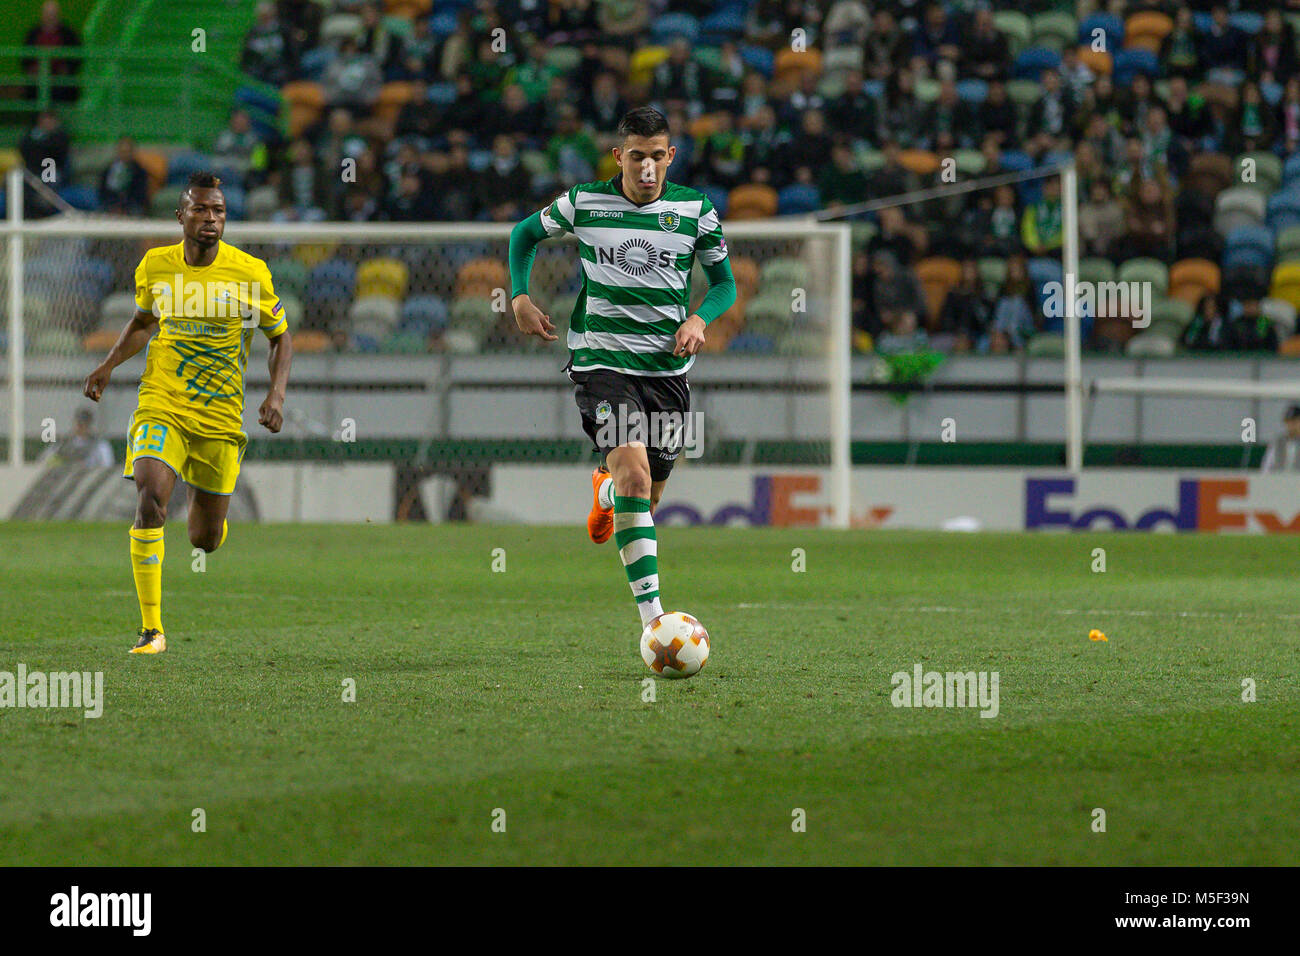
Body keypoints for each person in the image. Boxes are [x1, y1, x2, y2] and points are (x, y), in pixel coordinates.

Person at [508, 107, 736, 632]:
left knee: (648, 491)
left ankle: (606, 491)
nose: (648, 168)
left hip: (667, 369)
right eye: (637, 157)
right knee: (634, 473)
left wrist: (700, 319)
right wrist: (520, 295)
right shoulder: (585, 202)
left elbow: (725, 283)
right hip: (602, 362)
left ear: (671, 156)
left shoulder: (697, 210)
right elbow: (523, 235)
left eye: (658, 156)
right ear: (619, 156)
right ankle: (655, 623)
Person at [82, 172, 294, 654]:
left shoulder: (250, 272)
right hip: (162, 401)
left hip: (219, 416)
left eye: (218, 211)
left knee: (205, 540)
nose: (211, 219)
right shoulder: (156, 265)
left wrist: (275, 396)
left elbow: (280, 338)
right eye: (200, 210)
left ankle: (213, 523)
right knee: (151, 497)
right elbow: (143, 321)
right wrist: (108, 364)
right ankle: (152, 630)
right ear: (181, 216)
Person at [40, 408, 113, 467]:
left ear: (90, 425)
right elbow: (43, 460)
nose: (81, 426)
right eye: (79, 423)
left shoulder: (100, 445)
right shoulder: (62, 444)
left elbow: (107, 465)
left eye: (85, 423)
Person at [1260, 405, 1300, 472]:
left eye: (1296, 421)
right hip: (1279, 480)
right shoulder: (1278, 442)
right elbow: (1267, 467)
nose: (1292, 425)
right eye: (1289, 421)